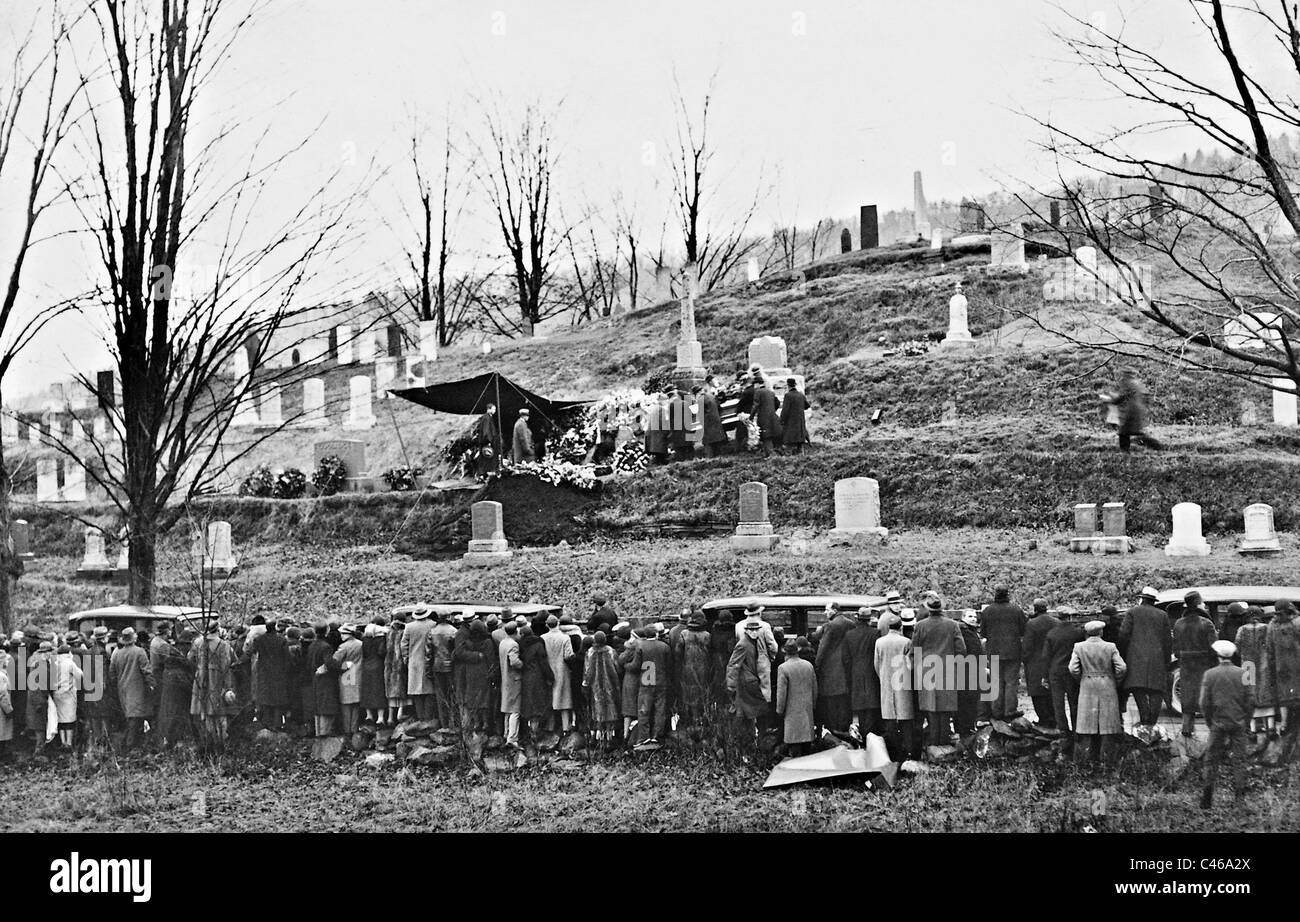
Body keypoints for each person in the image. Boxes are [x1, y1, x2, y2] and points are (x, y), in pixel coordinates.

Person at [1199, 640, 1253, 809]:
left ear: (1217, 656)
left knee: (1211, 760)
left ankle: (1207, 798)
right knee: (1240, 760)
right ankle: (1239, 798)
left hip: (1218, 723)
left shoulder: (1210, 674)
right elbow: (1251, 700)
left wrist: (1209, 721)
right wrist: (1246, 720)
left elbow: (1203, 703)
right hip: (1238, 723)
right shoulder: (1244, 673)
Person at [1069, 620, 1127, 766]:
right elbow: (1122, 667)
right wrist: (1115, 680)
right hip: (1107, 684)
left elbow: (1073, 668)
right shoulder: (1110, 646)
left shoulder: (1079, 647)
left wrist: (1081, 679)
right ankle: (1107, 763)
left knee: (1086, 725)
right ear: (1101, 632)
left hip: (1087, 685)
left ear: (1087, 633)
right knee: (1107, 725)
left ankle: (1084, 762)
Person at [911, 596, 966, 746]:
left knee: (932, 711)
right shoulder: (953, 625)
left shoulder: (920, 626)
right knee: (946, 710)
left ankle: (934, 747)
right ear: (941, 608)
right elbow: (961, 650)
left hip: (927, 672)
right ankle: (945, 746)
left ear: (928, 609)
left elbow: (913, 652)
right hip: (948, 671)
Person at [1120, 586, 1173, 730]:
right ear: (1154, 601)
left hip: (1135, 658)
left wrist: (1124, 655)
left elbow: (1124, 635)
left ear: (1142, 599)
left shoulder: (1132, 612)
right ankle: (1152, 722)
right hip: (1157, 658)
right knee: (1156, 690)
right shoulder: (1162, 615)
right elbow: (1167, 640)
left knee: (1138, 688)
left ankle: (1144, 719)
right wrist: (1166, 660)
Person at [1173, 591, 1218, 738]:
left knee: (1188, 702)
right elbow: (1214, 648)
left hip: (1186, 668)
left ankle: (1186, 733)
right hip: (1204, 668)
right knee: (1206, 702)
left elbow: (1176, 650)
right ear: (1199, 604)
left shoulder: (1178, 624)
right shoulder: (1207, 624)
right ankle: (1214, 737)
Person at [980, 587, 1027, 721]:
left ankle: (996, 711)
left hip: (993, 651)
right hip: (1013, 651)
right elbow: (1023, 630)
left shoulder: (987, 611)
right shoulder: (1016, 609)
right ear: (1008, 594)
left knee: (996, 682)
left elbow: (983, 632)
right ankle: (1010, 711)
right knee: (1011, 682)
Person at [875, 615, 916, 760]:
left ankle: (893, 754)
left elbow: (876, 664)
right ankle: (908, 752)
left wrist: (884, 677)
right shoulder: (906, 642)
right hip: (903, 684)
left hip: (886, 685)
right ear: (901, 627)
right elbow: (911, 666)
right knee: (906, 721)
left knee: (890, 721)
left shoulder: (879, 642)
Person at [1263, 599, 1300, 761]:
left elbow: (1269, 650)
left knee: (1284, 697)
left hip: (1281, 668)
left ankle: (1284, 724)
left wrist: (1271, 667)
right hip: (1297, 667)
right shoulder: (1298, 623)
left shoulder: (1272, 626)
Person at [1044, 615, 1087, 754]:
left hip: (1055, 671)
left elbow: (1046, 656)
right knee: (1074, 701)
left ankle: (1063, 729)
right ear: (1070, 617)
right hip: (1070, 671)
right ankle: (1076, 729)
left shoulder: (1051, 633)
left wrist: (1045, 675)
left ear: (1058, 617)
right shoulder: (1077, 633)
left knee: (1058, 701)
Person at [190, 622, 234, 750]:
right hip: (216, 678)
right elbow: (226, 665)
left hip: (201, 677)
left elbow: (190, 658)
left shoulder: (198, 642)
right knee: (219, 711)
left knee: (205, 710)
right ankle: (221, 740)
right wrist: (228, 685)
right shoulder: (223, 644)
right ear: (217, 630)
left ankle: (207, 739)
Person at [727, 620, 773, 740]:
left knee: (751, 713)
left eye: (756, 630)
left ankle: (753, 740)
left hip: (751, 682)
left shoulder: (754, 642)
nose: (754, 632)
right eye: (751, 630)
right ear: (746, 631)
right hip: (747, 684)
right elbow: (733, 665)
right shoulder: (743, 644)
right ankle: (750, 741)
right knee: (755, 711)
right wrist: (731, 686)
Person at [1234, 606, 1275, 740]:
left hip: (1247, 665)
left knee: (1249, 694)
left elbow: (1237, 648)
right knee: (1266, 694)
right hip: (1264, 665)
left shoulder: (1242, 629)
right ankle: (1270, 728)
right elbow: (1271, 646)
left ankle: (1252, 730)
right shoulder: (1267, 628)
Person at [110, 627, 154, 751]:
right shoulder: (139, 652)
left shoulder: (117, 653)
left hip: (122, 689)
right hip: (137, 689)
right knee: (135, 717)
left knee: (130, 716)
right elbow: (147, 671)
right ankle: (130, 745)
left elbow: (112, 673)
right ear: (133, 638)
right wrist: (152, 685)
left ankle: (131, 744)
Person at [814, 603, 855, 733]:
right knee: (844, 703)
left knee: (832, 704)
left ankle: (834, 731)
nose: (825, 613)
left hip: (831, 670)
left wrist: (817, 666)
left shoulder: (831, 626)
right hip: (846, 668)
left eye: (827, 610)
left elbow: (823, 648)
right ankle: (844, 730)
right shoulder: (850, 623)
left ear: (834, 610)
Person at [453, 619, 497, 732]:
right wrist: (492, 673)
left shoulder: (468, 642)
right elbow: (491, 659)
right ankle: (486, 723)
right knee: (484, 698)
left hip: (470, 672)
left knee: (472, 698)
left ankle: (477, 722)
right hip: (483, 672)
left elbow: (459, 654)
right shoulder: (488, 642)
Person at [155, 628, 196, 748]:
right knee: (176, 723)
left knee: (168, 722)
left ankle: (167, 744)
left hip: (169, 701)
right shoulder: (178, 668)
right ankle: (173, 746)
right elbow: (187, 686)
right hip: (178, 702)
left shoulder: (169, 667)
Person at [777, 638, 818, 756]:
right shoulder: (808, 665)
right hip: (806, 711)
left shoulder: (783, 668)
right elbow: (815, 688)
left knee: (794, 748)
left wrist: (780, 710)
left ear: (786, 653)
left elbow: (781, 693)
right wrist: (813, 705)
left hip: (791, 713)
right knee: (807, 750)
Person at [1022, 599, 1058, 727]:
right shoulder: (1056, 622)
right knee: (1052, 693)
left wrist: (1024, 659)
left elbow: (1027, 645)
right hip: (1052, 661)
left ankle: (1043, 719)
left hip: (1034, 662)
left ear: (1035, 609)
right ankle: (1054, 719)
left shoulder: (1031, 624)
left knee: (1037, 693)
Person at [250, 619, 291, 731]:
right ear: (275, 627)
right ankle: (277, 724)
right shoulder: (281, 640)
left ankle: (266, 723)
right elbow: (287, 658)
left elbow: (251, 652)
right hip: (279, 673)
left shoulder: (259, 640)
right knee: (278, 699)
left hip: (264, 672)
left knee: (266, 698)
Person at [675, 611, 713, 726]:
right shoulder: (707, 635)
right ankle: (702, 721)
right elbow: (711, 654)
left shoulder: (684, 634)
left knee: (689, 695)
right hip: (704, 670)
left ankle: (690, 721)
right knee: (703, 695)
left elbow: (678, 653)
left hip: (688, 670)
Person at [583, 631, 621, 747]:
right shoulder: (611, 651)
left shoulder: (589, 652)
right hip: (611, 684)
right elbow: (617, 667)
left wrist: (585, 684)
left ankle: (597, 738)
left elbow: (587, 670)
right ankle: (609, 738)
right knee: (610, 709)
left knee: (596, 710)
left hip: (595, 686)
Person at [1111, 369, 1163, 452]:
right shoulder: (1138, 383)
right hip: (1138, 410)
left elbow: (1122, 396)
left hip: (1130, 411)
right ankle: (1157, 446)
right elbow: (1146, 395)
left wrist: (1112, 400)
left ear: (1125, 375)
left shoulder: (1127, 383)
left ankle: (1125, 452)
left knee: (1124, 433)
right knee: (1134, 432)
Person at [518, 624, 553, 742]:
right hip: (538, 678)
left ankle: (527, 733)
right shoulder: (538, 645)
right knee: (537, 707)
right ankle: (535, 733)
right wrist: (550, 676)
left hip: (525, 678)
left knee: (528, 706)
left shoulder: (519, 645)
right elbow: (543, 663)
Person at [541, 615, 576, 732]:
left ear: (546, 625)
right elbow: (568, 655)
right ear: (558, 623)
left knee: (550, 699)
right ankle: (566, 727)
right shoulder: (565, 638)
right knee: (564, 700)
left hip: (548, 670)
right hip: (562, 670)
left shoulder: (542, 638)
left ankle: (550, 727)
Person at [401, 607, 436, 720]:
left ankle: (420, 718)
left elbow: (404, 645)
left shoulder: (409, 627)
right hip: (429, 661)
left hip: (414, 662)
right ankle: (428, 718)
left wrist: (406, 659)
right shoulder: (432, 625)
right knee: (429, 691)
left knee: (416, 693)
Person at [330, 624, 364, 736]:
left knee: (346, 705)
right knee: (356, 705)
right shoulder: (361, 644)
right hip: (358, 675)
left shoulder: (343, 647)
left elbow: (334, 661)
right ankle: (354, 729)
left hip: (346, 676)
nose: (341, 636)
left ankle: (347, 730)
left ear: (348, 634)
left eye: (343, 634)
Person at [306, 624, 339, 738]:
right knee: (326, 705)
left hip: (314, 678)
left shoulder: (312, 645)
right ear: (326, 632)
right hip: (326, 679)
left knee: (318, 706)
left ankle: (318, 732)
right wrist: (341, 666)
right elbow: (329, 663)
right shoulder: (326, 647)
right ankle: (325, 733)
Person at [955, 610, 984, 738]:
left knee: (969, 699)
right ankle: (965, 729)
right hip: (968, 669)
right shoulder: (965, 632)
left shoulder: (970, 631)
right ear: (963, 618)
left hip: (970, 669)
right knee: (967, 700)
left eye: (974, 616)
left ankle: (966, 727)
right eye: (969, 616)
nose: (973, 619)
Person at [52, 642, 85, 750]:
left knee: (61, 719)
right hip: (68, 694)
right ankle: (69, 742)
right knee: (69, 719)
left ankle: (63, 741)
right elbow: (79, 675)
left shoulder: (55, 662)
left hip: (57, 694)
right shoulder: (69, 662)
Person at [428, 612, 457, 728]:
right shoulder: (453, 631)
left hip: (437, 665)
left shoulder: (432, 631)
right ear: (448, 617)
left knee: (441, 696)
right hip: (450, 666)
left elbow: (428, 653)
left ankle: (443, 723)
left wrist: (428, 668)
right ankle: (453, 722)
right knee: (452, 695)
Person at [498, 621, 524, 748]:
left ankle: (506, 733)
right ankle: (513, 738)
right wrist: (523, 665)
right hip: (514, 679)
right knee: (515, 710)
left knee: (507, 708)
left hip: (505, 678)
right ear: (516, 631)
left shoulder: (503, 642)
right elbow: (514, 662)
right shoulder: (514, 645)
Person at [360, 618, 389, 727]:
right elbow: (382, 652)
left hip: (366, 666)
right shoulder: (381, 638)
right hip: (378, 666)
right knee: (379, 691)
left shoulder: (365, 639)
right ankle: (380, 718)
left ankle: (369, 715)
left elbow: (363, 653)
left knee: (367, 691)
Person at [384, 615, 410, 724]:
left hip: (389, 664)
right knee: (402, 688)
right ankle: (400, 712)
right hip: (400, 663)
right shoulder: (404, 632)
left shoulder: (389, 633)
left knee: (390, 690)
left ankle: (390, 717)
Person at [751, 375, 781, 457]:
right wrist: (772, 410)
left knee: (766, 437)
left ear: (757, 384)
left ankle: (770, 455)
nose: (754, 386)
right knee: (771, 435)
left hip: (763, 418)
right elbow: (777, 403)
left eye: (754, 384)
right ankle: (772, 454)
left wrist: (751, 417)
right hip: (773, 417)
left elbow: (755, 405)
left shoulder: (758, 392)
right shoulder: (770, 392)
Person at [778, 378, 810, 454]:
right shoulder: (801, 395)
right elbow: (807, 406)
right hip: (800, 421)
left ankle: (790, 457)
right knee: (800, 441)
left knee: (790, 442)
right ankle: (801, 456)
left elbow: (785, 410)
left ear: (788, 386)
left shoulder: (788, 395)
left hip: (791, 422)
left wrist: (781, 420)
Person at [699, 380, 728, 458]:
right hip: (716, 421)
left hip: (708, 423)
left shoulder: (701, 399)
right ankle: (720, 457)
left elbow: (700, 414)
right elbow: (719, 407)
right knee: (717, 441)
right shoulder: (712, 396)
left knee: (708, 442)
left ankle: (710, 458)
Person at [475, 403, 502, 477]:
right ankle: (483, 474)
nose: (495, 411)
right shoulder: (487, 418)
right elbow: (486, 431)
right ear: (489, 409)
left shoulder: (488, 417)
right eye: (494, 409)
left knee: (486, 459)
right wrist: (488, 441)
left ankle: (484, 474)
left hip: (487, 442)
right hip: (487, 443)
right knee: (486, 458)